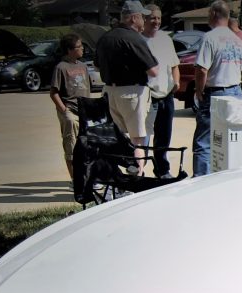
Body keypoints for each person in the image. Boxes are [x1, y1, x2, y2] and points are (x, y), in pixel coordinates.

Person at [192, 0, 242, 176]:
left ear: (213, 14)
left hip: (215, 92)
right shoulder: (235, 39)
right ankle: (228, 176)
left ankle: (200, 180)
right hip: (235, 93)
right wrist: (238, 82)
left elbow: (202, 69)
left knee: (204, 142)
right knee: (231, 139)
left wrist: (199, 90)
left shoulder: (209, 38)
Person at [95, 0, 159, 173]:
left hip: (109, 92)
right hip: (132, 92)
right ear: (133, 18)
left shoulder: (105, 37)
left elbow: (96, 66)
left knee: (116, 137)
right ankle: (137, 176)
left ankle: (114, 176)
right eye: (142, 17)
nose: (144, 21)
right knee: (137, 139)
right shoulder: (134, 38)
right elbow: (153, 71)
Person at [143, 3, 180, 178]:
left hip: (167, 95)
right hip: (148, 95)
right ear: (144, 19)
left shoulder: (166, 39)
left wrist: (177, 82)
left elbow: (174, 65)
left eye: (158, 18)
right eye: (152, 18)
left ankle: (162, 170)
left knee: (164, 136)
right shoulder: (139, 40)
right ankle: (139, 169)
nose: (156, 21)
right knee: (144, 136)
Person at [49, 34, 92, 181]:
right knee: (72, 147)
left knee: (86, 146)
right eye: (79, 47)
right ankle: (76, 180)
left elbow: (87, 89)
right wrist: (64, 110)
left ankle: (87, 176)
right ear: (69, 50)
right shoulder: (61, 67)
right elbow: (53, 93)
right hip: (70, 112)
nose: (82, 49)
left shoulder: (83, 66)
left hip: (84, 112)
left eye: (82, 46)